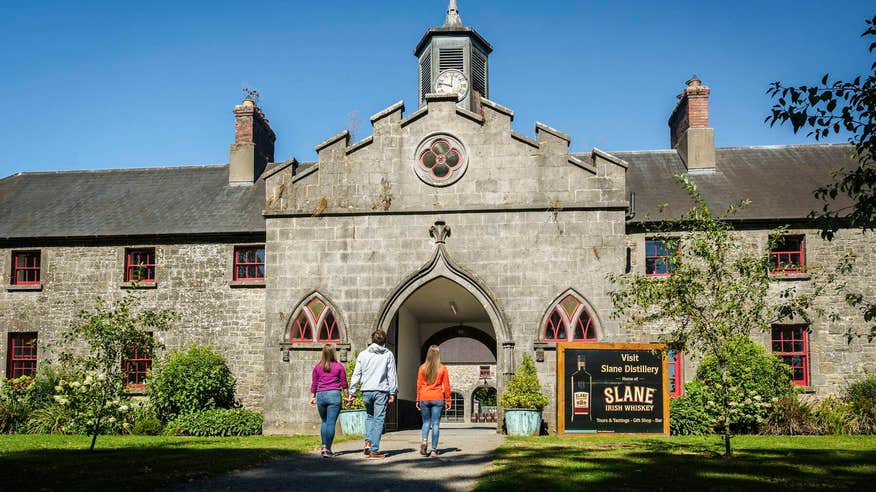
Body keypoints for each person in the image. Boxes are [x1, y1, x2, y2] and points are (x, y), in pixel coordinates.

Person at [347, 329, 398, 459]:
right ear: (384, 341)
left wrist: (352, 392)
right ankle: (374, 451)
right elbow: (391, 374)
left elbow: (356, 373)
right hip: (381, 390)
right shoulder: (388, 354)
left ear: (372, 340)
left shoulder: (363, 354)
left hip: (366, 390)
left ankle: (368, 443)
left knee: (370, 417)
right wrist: (393, 391)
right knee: (379, 419)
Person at [310, 344, 348, 458]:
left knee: (324, 422)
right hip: (334, 395)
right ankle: (328, 448)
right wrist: (347, 396)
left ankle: (323, 447)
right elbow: (344, 384)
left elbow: (314, 384)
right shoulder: (339, 367)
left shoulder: (317, 367)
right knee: (331, 423)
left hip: (321, 395)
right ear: (333, 353)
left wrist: (312, 397)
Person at [416, 345, 451, 458]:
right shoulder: (442, 368)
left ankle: (424, 441)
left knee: (426, 422)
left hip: (425, 397)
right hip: (437, 397)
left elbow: (419, 385)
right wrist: (448, 400)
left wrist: (418, 399)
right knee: (435, 424)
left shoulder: (422, 368)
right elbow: (446, 386)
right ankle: (434, 450)